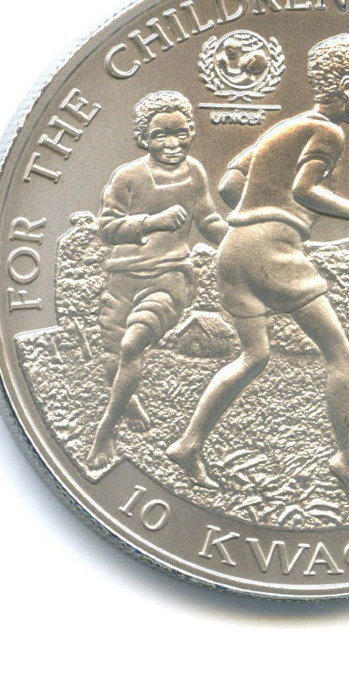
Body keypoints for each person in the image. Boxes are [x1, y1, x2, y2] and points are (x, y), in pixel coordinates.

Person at [167, 34, 349, 512]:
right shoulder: (329, 133)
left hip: (235, 250)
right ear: (348, 84)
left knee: (253, 356)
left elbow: (230, 186)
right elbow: (305, 189)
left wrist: (259, 211)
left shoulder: (280, 129)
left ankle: (188, 444)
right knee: (340, 354)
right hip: (273, 249)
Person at [86, 91, 227, 468]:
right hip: (121, 279)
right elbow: (107, 229)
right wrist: (152, 222)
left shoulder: (195, 172)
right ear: (142, 138)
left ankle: (105, 432)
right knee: (112, 359)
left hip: (170, 277)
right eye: (160, 134)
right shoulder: (127, 176)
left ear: (191, 132)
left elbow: (209, 220)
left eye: (180, 133)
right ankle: (128, 400)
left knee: (132, 345)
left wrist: (239, 239)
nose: (172, 143)